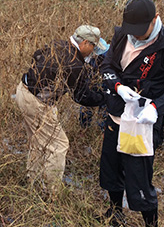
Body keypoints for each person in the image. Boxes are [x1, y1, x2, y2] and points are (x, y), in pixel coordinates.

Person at [99, 0, 164, 227]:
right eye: (132, 30)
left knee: (139, 179)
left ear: (155, 19)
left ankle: (150, 223)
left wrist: (156, 108)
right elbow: (107, 65)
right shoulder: (123, 34)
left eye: (141, 30)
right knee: (111, 170)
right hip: (116, 115)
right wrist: (118, 87)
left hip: (142, 123)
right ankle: (114, 214)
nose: (136, 35)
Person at [15, 25, 108, 195]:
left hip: (23, 90)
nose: (94, 52)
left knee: (38, 141)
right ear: (85, 43)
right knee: (59, 145)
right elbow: (81, 97)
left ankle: (33, 180)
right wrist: (105, 97)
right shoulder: (74, 64)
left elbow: (36, 55)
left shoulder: (58, 44)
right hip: (36, 102)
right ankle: (52, 192)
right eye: (93, 47)